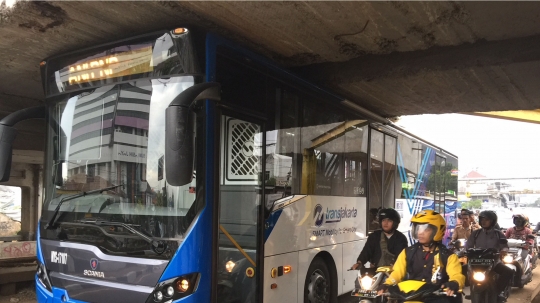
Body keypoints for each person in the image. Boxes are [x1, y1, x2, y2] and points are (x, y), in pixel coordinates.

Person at [377, 210, 465, 303]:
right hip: (409, 296)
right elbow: (397, 273)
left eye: (426, 229)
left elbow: (456, 275)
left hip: (436, 298)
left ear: (438, 230)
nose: (420, 233)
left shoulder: (448, 256)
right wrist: (387, 284)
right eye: (418, 228)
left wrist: (454, 283)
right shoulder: (407, 252)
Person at [466, 210, 513, 303]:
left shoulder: (498, 234)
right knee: (461, 270)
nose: (483, 221)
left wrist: (503, 251)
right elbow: (468, 246)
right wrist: (463, 252)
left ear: (492, 221)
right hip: (477, 262)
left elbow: (505, 246)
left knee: (508, 271)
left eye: (486, 219)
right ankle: (471, 291)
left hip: (494, 262)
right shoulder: (476, 233)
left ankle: (499, 291)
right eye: (482, 219)